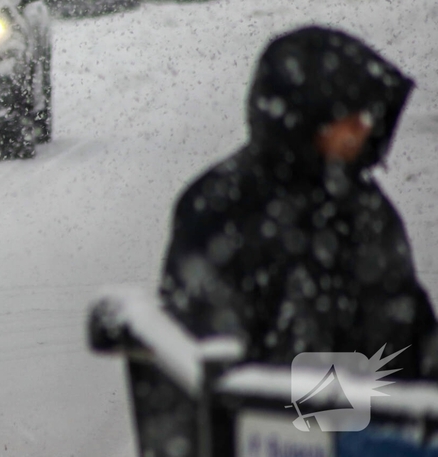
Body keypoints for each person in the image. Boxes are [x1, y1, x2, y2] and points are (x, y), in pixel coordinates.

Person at [133, 26, 436, 456]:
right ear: (306, 117)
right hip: (262, 433)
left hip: (367, 427)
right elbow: (209, 350)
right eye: (348, 117)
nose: (362, 130)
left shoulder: (366, 208)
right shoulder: (221, 209)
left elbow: (404, 323)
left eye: (367, 119)